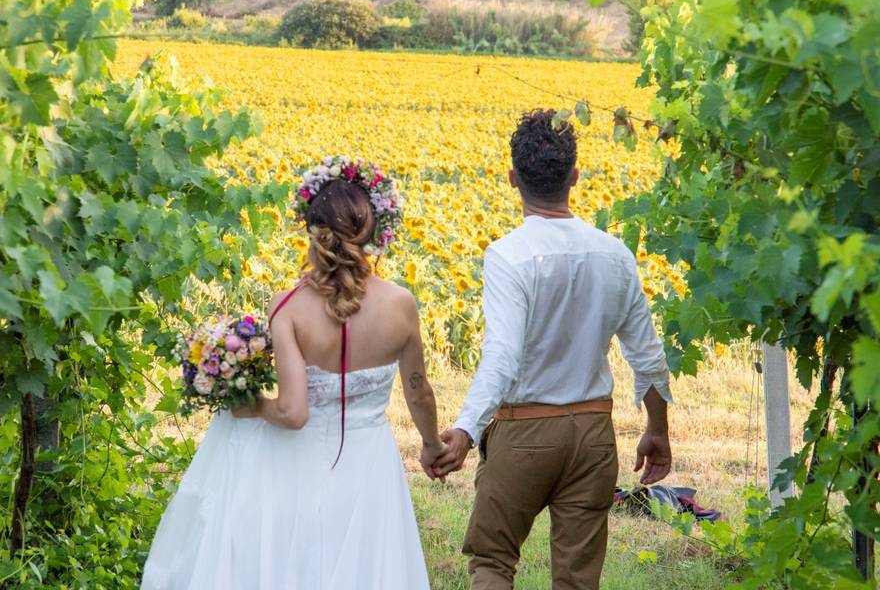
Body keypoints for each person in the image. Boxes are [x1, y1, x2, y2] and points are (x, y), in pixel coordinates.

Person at [141, 163, 444, 590]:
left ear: (312, 232)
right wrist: (431, 446)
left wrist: (253, 407)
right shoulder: (401, 304)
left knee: (299, 566)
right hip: (370, 467)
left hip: (298, 466)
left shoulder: (287, 306)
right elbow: (420, 392)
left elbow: (293, 411)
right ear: (372, 231)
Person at [431, 109, 674, 590]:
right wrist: (657, 429)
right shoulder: (615, 254)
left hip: (524, 431)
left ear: (512, 179)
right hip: (592, 432)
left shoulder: (508, 255)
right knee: (578, 579)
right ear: (576, 177)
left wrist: (466, 429)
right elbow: (647, 357)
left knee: (493, 562)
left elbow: (502, 358)